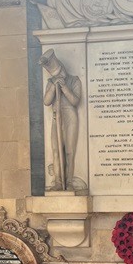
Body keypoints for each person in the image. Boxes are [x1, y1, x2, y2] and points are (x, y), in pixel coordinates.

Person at [39, 49, 81, 191]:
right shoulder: (51, 82)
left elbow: (75, 101)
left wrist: (63, 86)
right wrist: (53, 86)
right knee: (56, 151)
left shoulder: (74, 80)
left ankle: (68, 182)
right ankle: (58, 182)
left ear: (63, 68)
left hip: (70, 118)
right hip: (57, 117)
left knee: (69, 151)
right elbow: (46, 101)